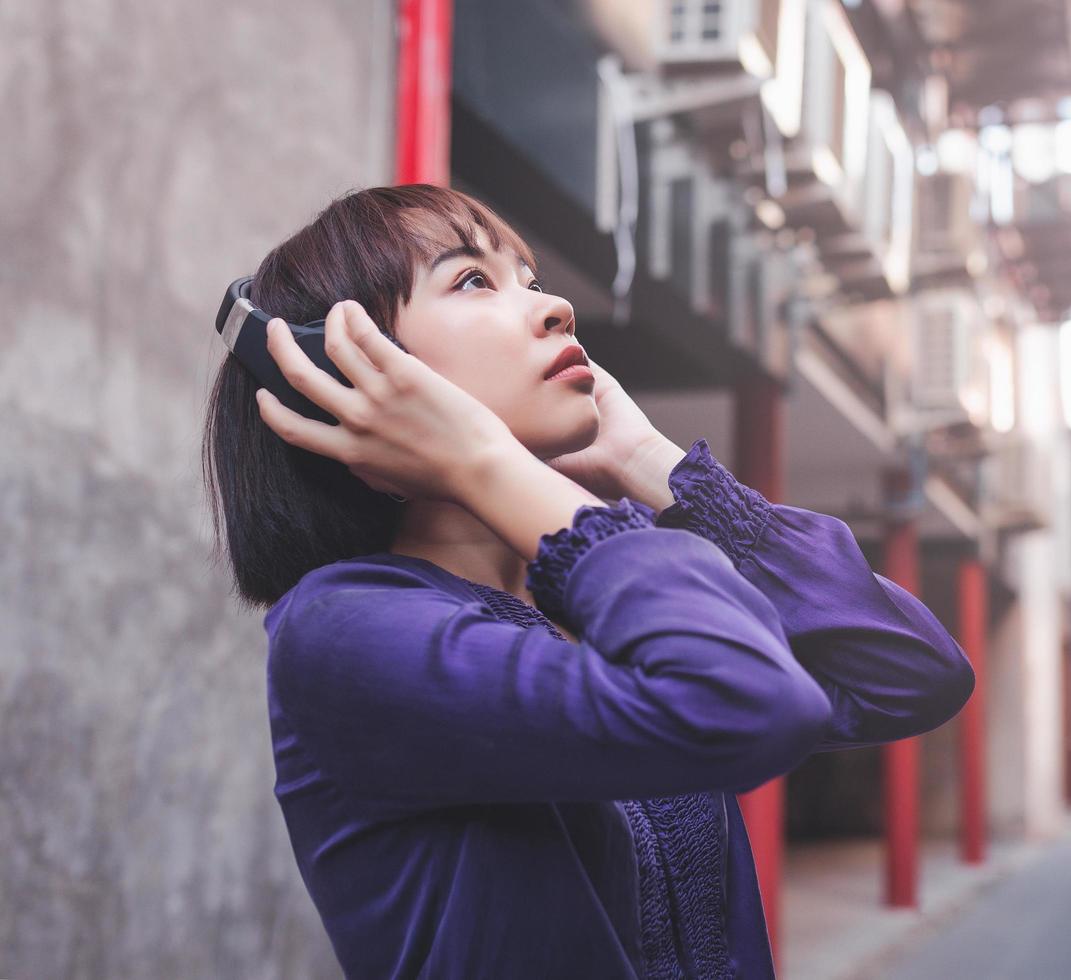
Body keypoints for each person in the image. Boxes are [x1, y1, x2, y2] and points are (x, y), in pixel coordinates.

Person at [201, 184, 976, 979]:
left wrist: (647, 464)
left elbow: (911, 673)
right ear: (340, 379)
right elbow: (744, 703)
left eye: (531, 281)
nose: (556, 307)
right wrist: (485, 463)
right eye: (473, 280)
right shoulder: (343, 635)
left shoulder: (606, 578)